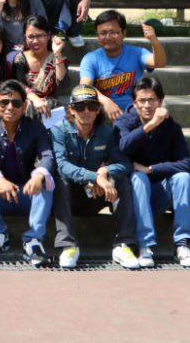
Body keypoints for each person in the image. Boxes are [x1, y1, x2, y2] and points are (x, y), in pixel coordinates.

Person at [51, 85, 141, 269]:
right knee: (59, 179)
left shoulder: (107, 132)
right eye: (80, 106)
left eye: (91, 106)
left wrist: (105, 172)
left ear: (98, 109)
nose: (86, 111)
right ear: (71, 109)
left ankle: (124, 244)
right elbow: (61, 165)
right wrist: (94, 177)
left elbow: (124, 163)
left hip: (97, 195)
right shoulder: (59, 130)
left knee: (122, 180)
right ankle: (68, 245)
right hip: (69, 196)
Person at [116, 76, 190, 268]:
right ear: (133, 102)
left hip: (160, 192)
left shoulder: (171, 127)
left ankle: (182, 245)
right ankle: (144, 245)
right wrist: (150, 125)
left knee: (182, 178)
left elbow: (187, 164)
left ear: (161, 101)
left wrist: (151, 170)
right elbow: (124, 147)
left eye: (152, 100)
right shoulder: (123, 122)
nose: (147, 105)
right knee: (138, 177)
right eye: (142, 100)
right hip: (132, 197)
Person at [0, 80, 55, 265]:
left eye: (16, 103)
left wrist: (39, 175)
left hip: (26, 194)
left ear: (24, 106)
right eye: (4, 102)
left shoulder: (35, 127)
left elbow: (47, 156)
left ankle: (33, 240)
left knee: (47, 181)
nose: (10, 107)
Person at [78, 11, 167, 120]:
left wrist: (154, 42)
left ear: (124, 33)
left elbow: (159, 63)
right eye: (103, 33)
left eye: (113, 32)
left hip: (136, 108)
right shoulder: (90, 58)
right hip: (104, 110)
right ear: (97, 35)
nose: (108, 37)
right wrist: (106, 102)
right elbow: (85, 87)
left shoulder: (137, 53)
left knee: (161, 106)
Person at [11, 16, 68, 118]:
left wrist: (57, 53)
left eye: (39, 36)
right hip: (27, 105)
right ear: (25, 37)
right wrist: (36, 99)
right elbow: (19, 85)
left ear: (48, 35)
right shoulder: (20, 59)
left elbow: (63, 84)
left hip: (51, 105)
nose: (35, 41)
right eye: (30, 37)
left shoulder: (57, 58)